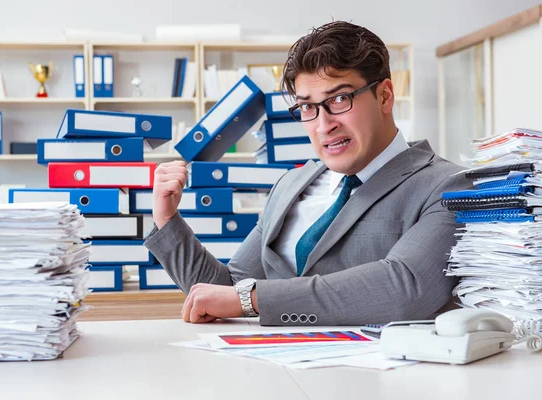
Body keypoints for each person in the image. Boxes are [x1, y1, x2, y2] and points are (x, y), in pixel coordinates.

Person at [144, 20, 470, 326]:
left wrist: (257, 298)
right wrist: (167, 219)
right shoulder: (292, 184)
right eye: (308, 107)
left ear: (384, 95)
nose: (324, 125)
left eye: (340, 99)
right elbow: (228, 290)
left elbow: (406, 287)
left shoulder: (448, 186)